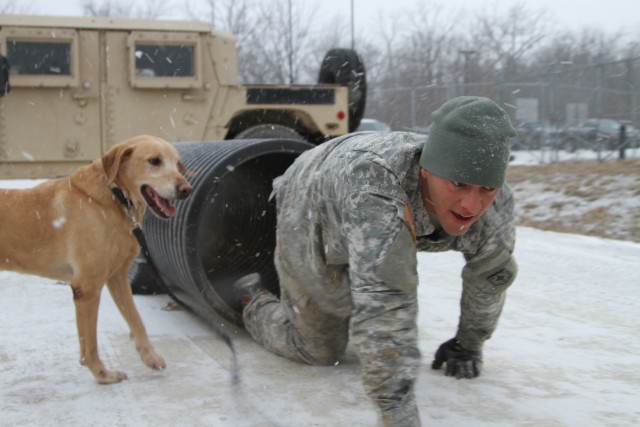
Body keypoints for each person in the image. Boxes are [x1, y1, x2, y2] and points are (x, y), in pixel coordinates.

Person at [235, 96, 518, 426]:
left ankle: (342, 293)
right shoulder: (375, 186)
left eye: (487, 188)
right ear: (427, 171)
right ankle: (250, 297)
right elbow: (387, 299)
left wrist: (469, 343)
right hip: (313, 201)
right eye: (458, 183)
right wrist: (397, 412)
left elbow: (492, 275)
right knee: (320, 349)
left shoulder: (495, 206)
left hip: (374, 212)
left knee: (369, 290)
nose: (472, 204)